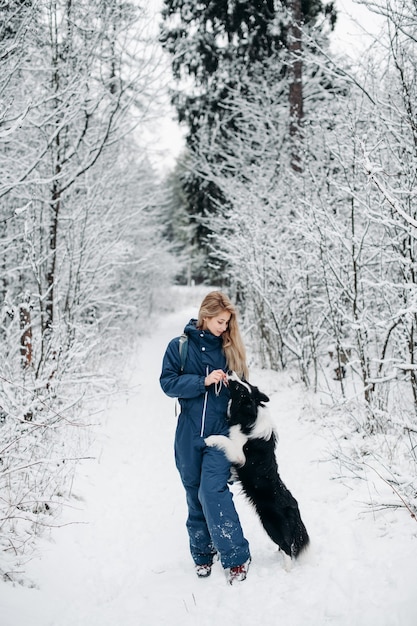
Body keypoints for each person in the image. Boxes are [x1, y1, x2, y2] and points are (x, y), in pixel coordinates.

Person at [160, 291, 251, 583]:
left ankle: (236, 557)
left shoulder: (229, 351)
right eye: (220, 322)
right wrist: (202, 381)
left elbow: (243, 393)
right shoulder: (179, 347)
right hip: (187, 434)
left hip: (220, 435)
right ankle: (202, 554)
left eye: (227, 323)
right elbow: (168, 382)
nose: (224, 328)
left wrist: (231, 385)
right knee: (193, 493)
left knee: (212, 492)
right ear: (206, 316)